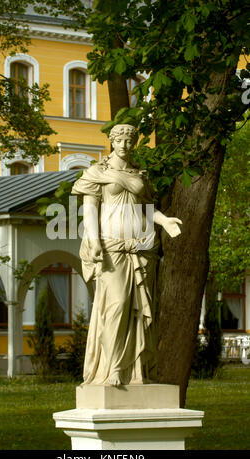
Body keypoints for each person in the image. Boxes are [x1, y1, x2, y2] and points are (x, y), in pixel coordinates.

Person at [72, 124, 182, 386]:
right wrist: (93, 240)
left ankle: (135, 370)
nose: (124, 145)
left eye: (129, 141)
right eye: (119, 140)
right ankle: (113, 367)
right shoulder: (97, 173)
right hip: (111, 249)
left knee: (139, 312)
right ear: (112, 142)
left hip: (140, 249)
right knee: (118, 305)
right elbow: (89, 211)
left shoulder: (139, 175)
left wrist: (164, 221)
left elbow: (146, 210)